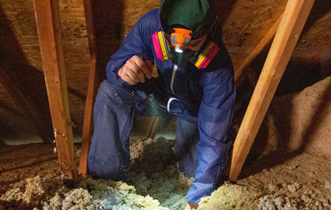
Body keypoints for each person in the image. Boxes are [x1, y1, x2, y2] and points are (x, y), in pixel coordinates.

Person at [87, 0, 235, 209]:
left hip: (192, 111)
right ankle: (107, 181)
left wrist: (198, 198)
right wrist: (123, 71)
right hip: (158, 96)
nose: (180, 51)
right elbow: (116, 66)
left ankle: (189, 174)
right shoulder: (150, 25)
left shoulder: (219, 70)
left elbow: (214, 137)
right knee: (110, 92)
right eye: (171, 41)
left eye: (192, 44)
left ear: (209, 31)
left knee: (195, 174)